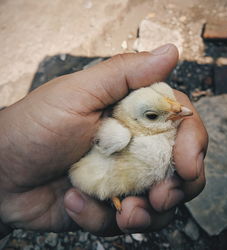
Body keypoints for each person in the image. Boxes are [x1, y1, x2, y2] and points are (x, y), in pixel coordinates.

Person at [0, 44, 208, 238]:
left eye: (173, 106)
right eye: (153, 116)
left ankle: (115, 196)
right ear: (136, 119)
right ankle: (112, 196)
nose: (178, 111)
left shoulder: (163, 134)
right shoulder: (119, 135)